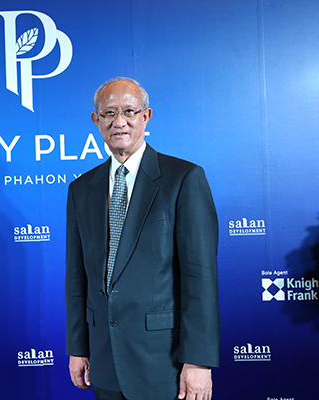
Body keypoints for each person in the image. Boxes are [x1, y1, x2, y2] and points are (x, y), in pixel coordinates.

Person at [65, 77, 219, 400]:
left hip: (164, 365)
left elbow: (199, 278)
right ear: (96, 120)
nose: (119, 122)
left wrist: (198, 361)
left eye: (129, 111)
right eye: (109, 113)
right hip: (104, 362)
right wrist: (78, 347)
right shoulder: (81, 189)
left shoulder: (184, 179)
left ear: (145, 116)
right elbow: (77, 278)